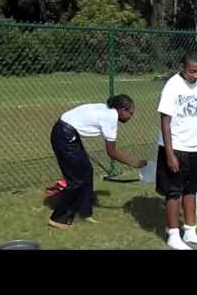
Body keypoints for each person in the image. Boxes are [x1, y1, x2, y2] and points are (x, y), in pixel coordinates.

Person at [48, 94, 147, 229]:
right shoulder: (110, 117)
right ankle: (58, 218)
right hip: (64, 135)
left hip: (68, 133)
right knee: (76, 180)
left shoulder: (108, 110)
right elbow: (112, 152)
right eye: (130, 113)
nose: (131, 117)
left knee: (87, 171)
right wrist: (136, 163)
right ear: (122, 110)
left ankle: (85, 212)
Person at [155, 51, 197, 250]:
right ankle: (173, 234)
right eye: (191, 72)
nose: (195, 76)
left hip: (194, 147)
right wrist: (170, 153)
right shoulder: (173, 85)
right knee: (174, 192)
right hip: (175, 147)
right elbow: (165, 121)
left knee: (191, 189)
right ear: (182, 68)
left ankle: (190, 232)